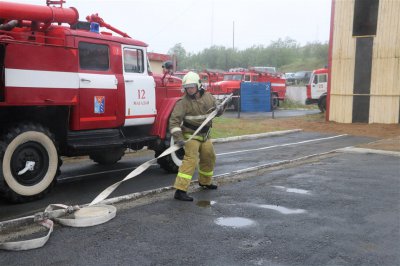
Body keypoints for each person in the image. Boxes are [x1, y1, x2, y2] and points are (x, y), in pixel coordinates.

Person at [169, 71, 225, 201]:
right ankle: (180, 190)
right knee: (190, 160)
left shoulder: (209, 97)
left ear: (199, 85)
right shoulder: (182, 103)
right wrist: (178, 138)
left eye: (191, 87)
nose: (189, 90)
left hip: (205, 135)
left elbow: (216, 112)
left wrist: (220, 109)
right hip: (190, 136)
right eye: (187, 88)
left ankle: (205, 182)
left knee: (209, 156)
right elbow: (174, 122)